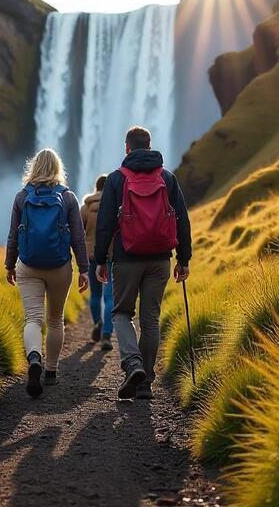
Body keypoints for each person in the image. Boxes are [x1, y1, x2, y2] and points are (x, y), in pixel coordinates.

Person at [94, 126, 192, 400]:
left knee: (121, 313)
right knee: (151, 318)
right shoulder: (168, 178)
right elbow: (182, 220)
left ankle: (133, 364)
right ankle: (145, 381)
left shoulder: (116, 179)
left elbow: (104, 224)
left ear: (127, 148)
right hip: (160, 258)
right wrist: (184, 259)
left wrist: (100, 259)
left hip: (126, 258)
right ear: (149, 147)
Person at [6, 148, 90, 398]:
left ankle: (34, 357)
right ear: (57, 168)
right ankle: (51, 371)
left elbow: (13, 236)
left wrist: (9, 265)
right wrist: (84, 269)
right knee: (55, 319)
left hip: (28, 265)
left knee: (32, 318)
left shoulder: (22, 197)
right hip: (59, 266)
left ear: (33, 168)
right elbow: (78, 238)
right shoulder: (68, 197)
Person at [80, 174, 114, 351]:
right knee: (110, 297)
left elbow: (79, 233)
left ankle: (97, 324)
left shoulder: (85, 207)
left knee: (95, 294)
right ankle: (107, 334)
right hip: (110, 255)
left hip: (91, 255)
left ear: (96, 187)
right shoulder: (115, 204)